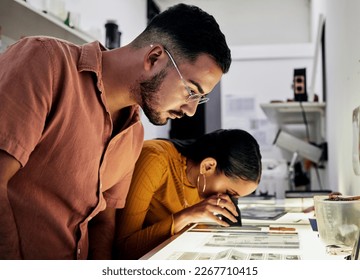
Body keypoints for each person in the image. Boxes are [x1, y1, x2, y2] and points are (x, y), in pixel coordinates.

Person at [0, 4, 231, 259]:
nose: (190, 111)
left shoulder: (133, 135)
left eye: (200, 99)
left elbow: (103, 223)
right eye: (191, 91)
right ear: (154, 57)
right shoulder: (45, 62)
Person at [113, 129, 262, 260]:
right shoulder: (154, 159)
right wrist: (186, 216)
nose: (227, 200)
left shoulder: (202, 185)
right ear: (208, 166)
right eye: (229, 193)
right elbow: (123, 251)